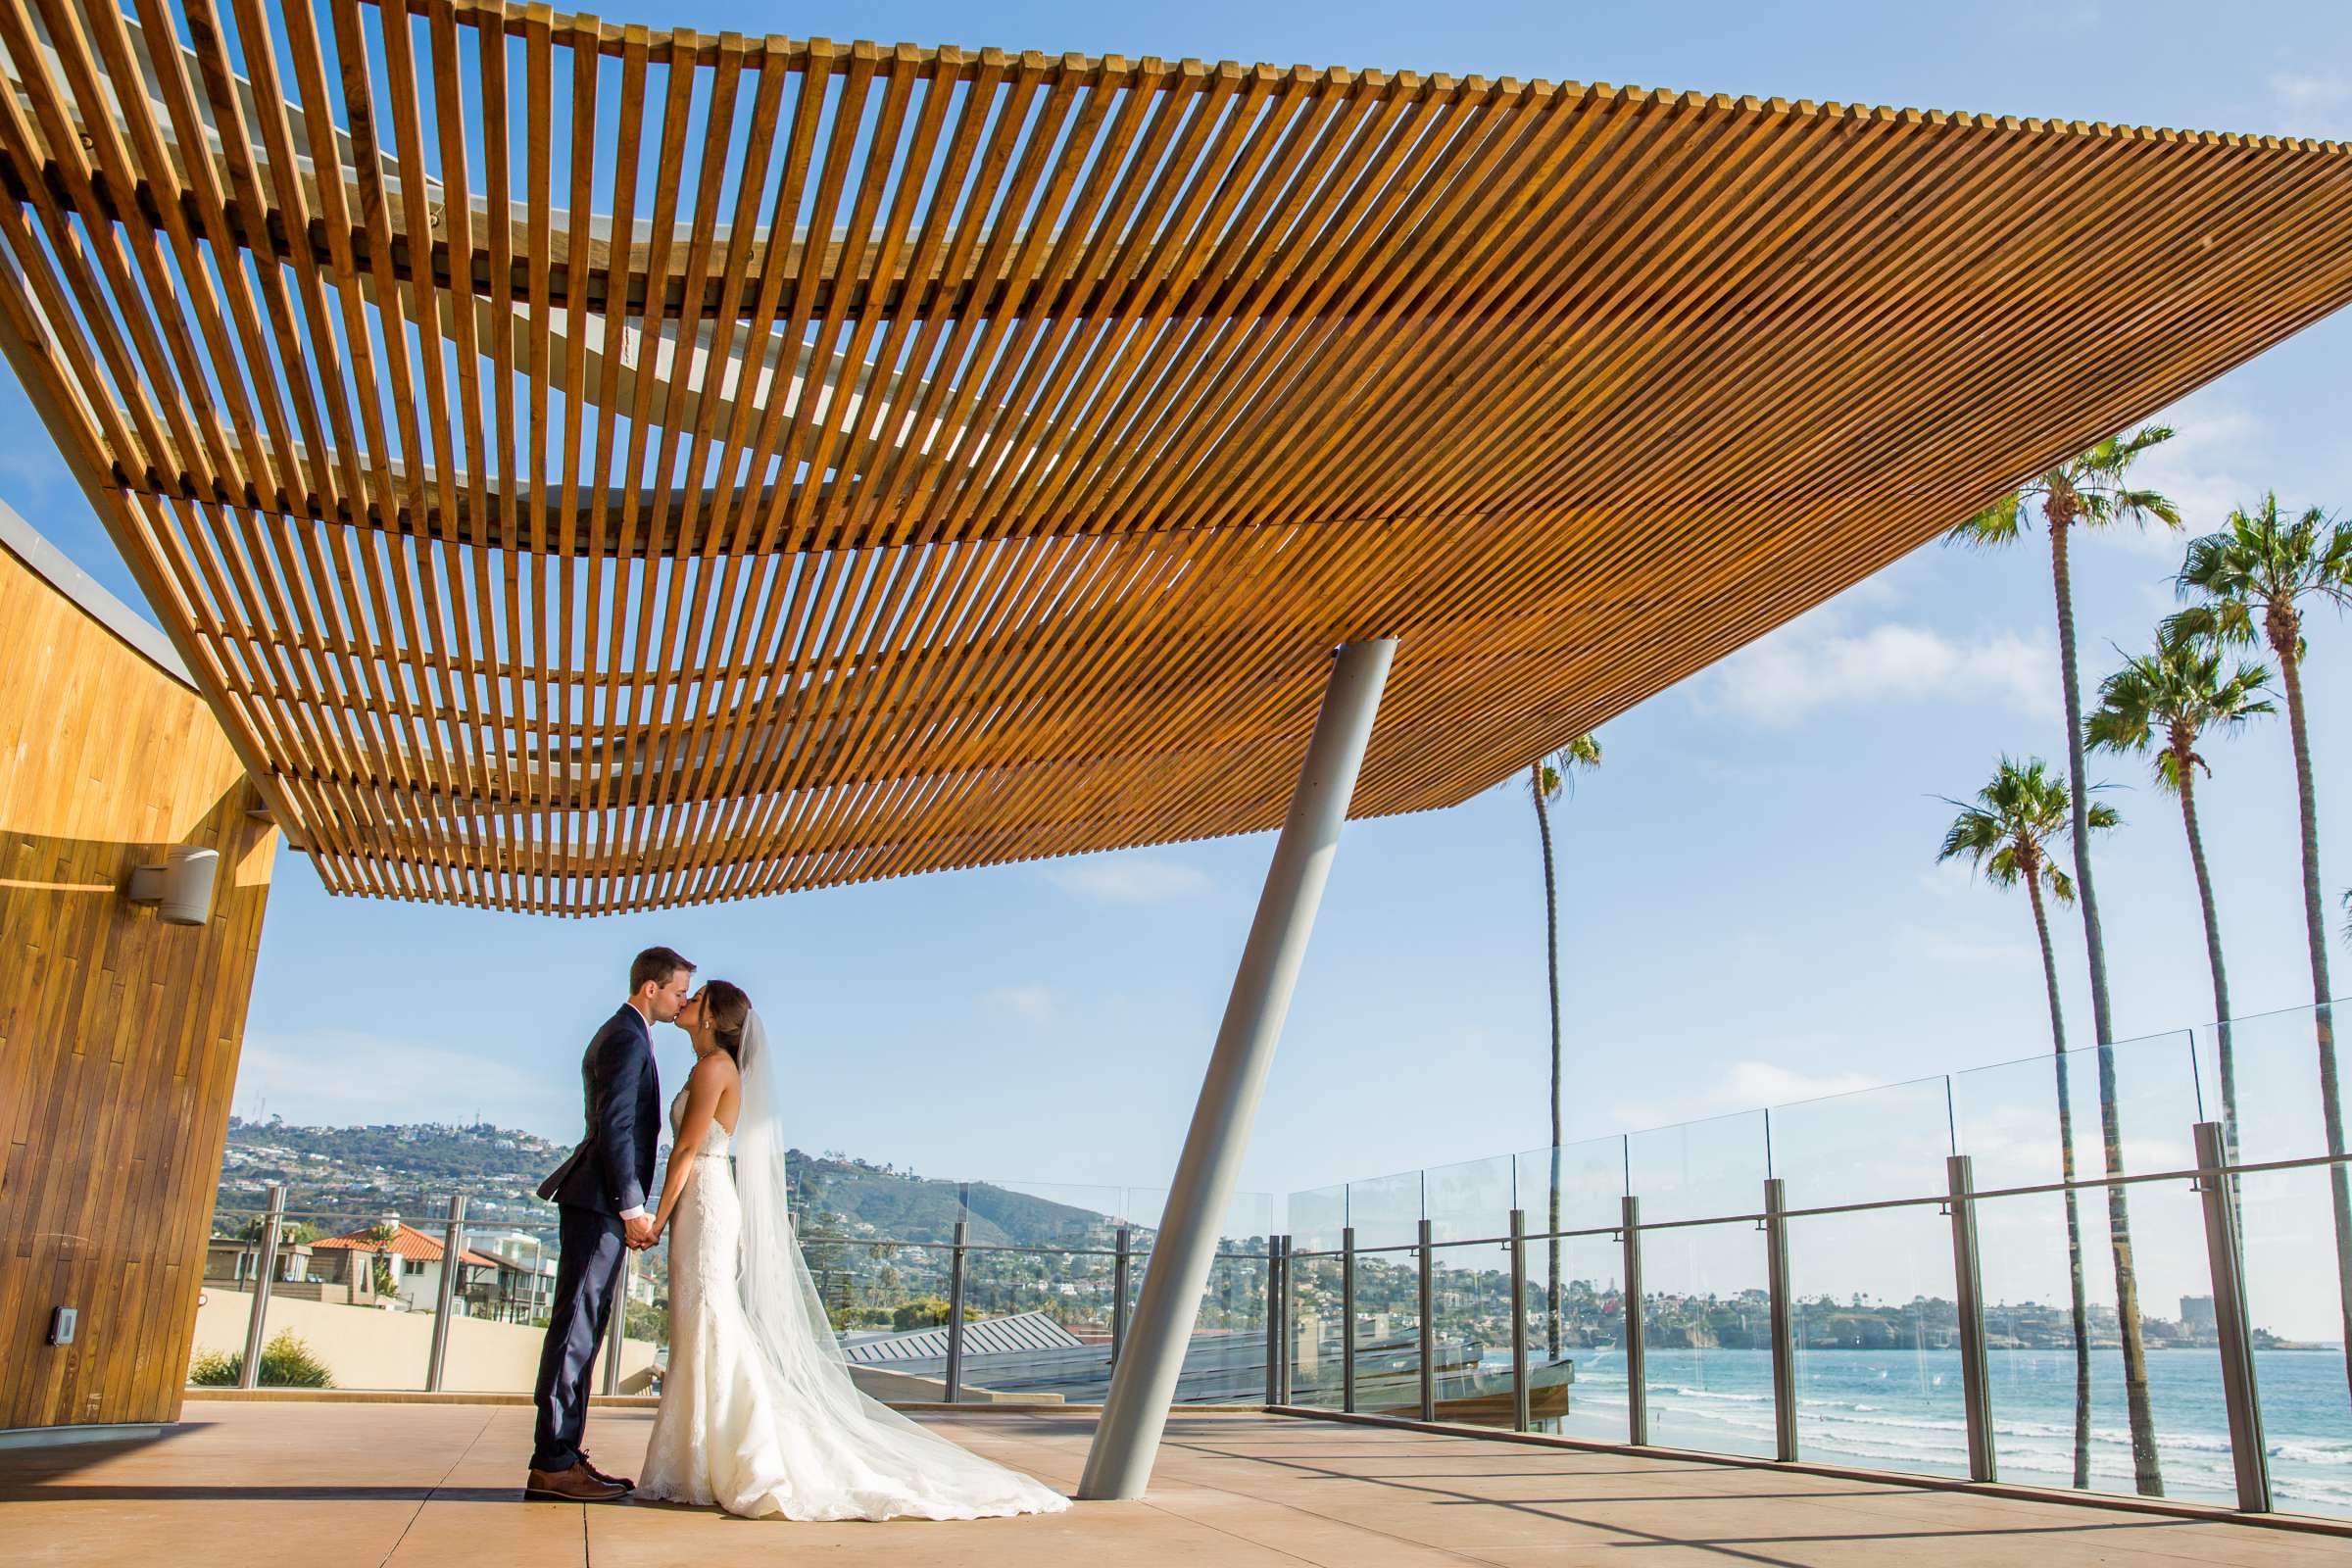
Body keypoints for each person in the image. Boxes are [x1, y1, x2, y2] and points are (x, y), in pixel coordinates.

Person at [635, 979, 1070, 1521]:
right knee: (700, 1321)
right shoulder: (711, 1068)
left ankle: (720, 1454)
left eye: (696, 997)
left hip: (704, 1205)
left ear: (711, 1016)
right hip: (701, 1203)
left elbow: (686, 1148)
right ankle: (697, 1457)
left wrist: (655, 1218)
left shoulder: (713, 1069)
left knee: (710, 1319)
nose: (687, 1000)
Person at [525, 946, 693, 1501]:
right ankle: (553, 1462)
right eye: (677, 992)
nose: (682, 1001)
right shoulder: (624, 1036)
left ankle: (565, 1455)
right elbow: (617, 1126)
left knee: (584, 1328)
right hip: (599, 1201)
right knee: (576, 1329)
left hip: (598, 1200)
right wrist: (632, 1207)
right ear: (651, 988)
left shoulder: (627, 1033)